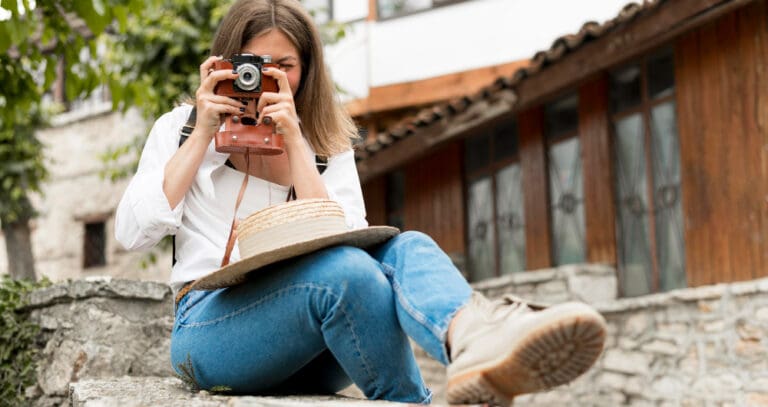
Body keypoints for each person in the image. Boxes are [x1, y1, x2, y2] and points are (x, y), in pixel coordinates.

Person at [115, 0, 607, 405]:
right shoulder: (178, 128)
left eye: (285, 66)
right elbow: (132, 233)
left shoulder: (325, 144)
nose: (266, 79)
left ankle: (476, 339)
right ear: (225, 65)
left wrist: (297, 146)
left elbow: (348, 240)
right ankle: (416, 400)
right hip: (210, 330)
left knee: (404, 246)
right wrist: (203, 133)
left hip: (313, 340)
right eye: (253, 66)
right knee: (349, 275)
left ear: (306, 69)